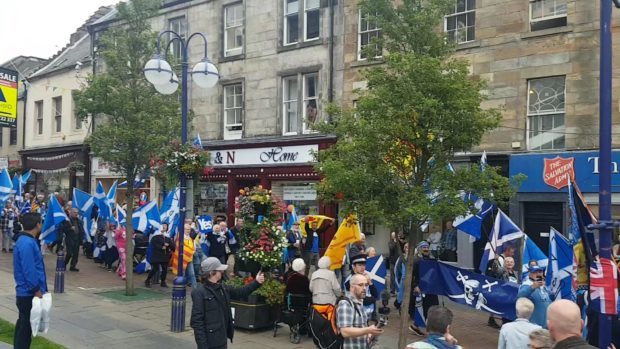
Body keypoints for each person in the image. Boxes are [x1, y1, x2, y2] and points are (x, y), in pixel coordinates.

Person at [190, 257, 265, 349]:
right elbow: (197, 322)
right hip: (209, 341)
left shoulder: (222, 288)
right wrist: (202, 346)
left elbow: (241, 292)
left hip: (221, 338)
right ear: (212, 272)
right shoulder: (199, 292)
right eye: (219, 270)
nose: (222, 272)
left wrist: (256, 282)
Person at [12, 212, 47, 349]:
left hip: (26, 292)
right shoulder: (27, 243)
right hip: (28, 293)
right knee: (26, 328)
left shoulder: (27, 241)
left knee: (23, 324)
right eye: (41, 222)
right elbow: (29, 269)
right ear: (37, 224)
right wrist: (36, 289)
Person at [336, 273, 384, 349]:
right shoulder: (345, 304)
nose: (364, 288)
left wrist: (371, 333)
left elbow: (361, 328)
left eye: (366, 285)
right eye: (360, 285)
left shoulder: (359, 303)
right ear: (352, 287)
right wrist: (368, 330)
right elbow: (345, 331)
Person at [411, 241, 439, 335]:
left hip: (432, 288)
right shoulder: (416, 260)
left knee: (434, 306)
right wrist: (415, 286)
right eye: (423, 247)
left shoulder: (432, 259)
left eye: (427, 247)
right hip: (421, 288)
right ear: (419, 249)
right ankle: (431, 330)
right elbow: (412, 275)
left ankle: (416, 325)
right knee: (425, 308)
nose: (426, 249)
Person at [344, 253, 379, 322]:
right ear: (353, 267)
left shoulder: (366, 276)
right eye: (359, 265)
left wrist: (370, 282)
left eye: (364, 265)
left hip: (367, 315)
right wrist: (373, 299)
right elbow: (363, 299)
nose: (362, 267)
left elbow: (375, 294)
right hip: (355, 315)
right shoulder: (350, 280)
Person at [145, 223, 174, 288]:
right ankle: (147, 280)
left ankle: (163, 282)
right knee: (155, 269)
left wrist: (168, 245)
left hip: (165, 256)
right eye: (163, 225)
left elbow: (172, 246)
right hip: (157, 255)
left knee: (164, 270)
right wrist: (161, 247)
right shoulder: (156, 235)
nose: (164, 227)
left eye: (165, 226)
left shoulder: (168, 236)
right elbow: (153, 243)